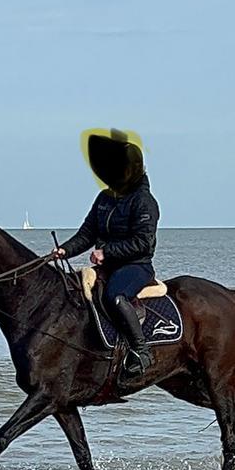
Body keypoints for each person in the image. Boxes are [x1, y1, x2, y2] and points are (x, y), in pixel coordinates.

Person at [54, 129, 160, 378]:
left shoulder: (144, 201)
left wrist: (107, 252)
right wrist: (64, 250)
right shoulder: (104, 198)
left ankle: (141, 351)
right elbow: (86, 234)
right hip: (108, 266)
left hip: (136, 266)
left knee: (115, 295)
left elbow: (143, 243)